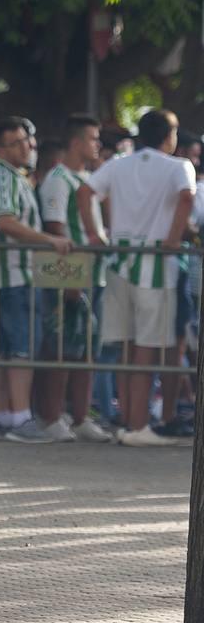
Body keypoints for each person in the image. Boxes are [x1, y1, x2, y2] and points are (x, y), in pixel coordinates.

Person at [78, 108, 196, 447]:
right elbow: (187, 198)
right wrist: (174, 239)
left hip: (119, 261)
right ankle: (140, 425)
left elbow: (85, 193)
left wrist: (95, 235)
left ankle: (129, 422)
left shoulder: (118, 164)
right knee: (145, 348)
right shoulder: (179, 166)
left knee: (127, 348)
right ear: (168, 136)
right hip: (156, 264)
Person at [0, 117, 71, 443]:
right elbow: (6, 222)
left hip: (8, 274)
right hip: (11, 274)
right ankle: (18, 418)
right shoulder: (3, 177)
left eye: (27, 139)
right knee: (19, 350)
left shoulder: (13, 177)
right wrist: (49, 240)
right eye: (17, 142)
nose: (27, 146)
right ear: (0, 149)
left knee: (4, 350)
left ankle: (5, 417)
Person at [36, 115, 113, 442]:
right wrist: (71, 278)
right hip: (69, 276)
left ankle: (80, 417)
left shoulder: (87, 179)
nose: (97, 145)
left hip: (93, 275)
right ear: (77, 142)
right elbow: (56, 228)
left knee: (86, 349)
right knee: (62, 347)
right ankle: (52, 417)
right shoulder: (58, 178)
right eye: (94, 138)